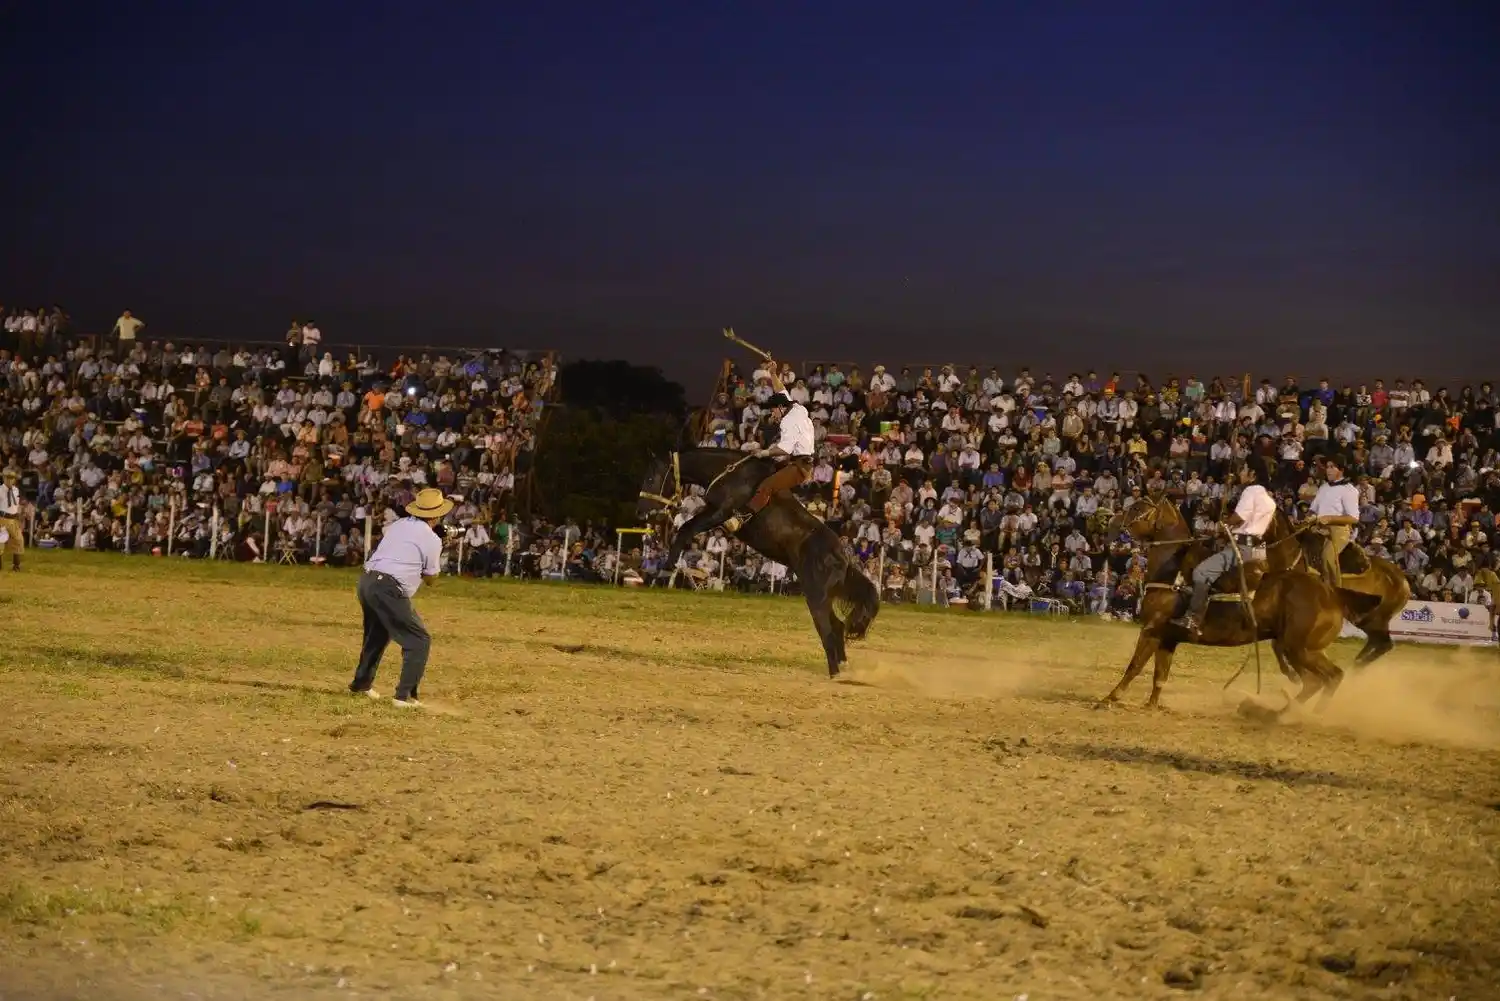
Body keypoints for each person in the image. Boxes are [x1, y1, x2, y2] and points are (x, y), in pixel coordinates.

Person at [348, 488, 453, 708]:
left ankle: (362, 684)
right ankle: (403, 697)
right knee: (418, 640)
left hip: (367, 581)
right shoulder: (432, 539)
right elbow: (431, 579)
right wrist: (439, 548)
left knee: (376, 634)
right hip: (388, 587)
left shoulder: (398, 525)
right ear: (437, 515)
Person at [1173, 457, 1276, 638]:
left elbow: (1239, 518)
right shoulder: (1269, 498)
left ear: (1253, 474)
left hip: (1241, 548)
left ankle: (1193, 618)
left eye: (1244, 469)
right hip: (1259, 551)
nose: (1240, 473)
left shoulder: (1251, 491)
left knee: (1201, 573)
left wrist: (1221, 526)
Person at [724, 359, 815, 532]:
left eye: (773, 409)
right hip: (797, 461)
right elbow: (781, 389)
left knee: (766, 485)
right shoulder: (797, 408)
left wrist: (763, 453)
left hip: (800, 467)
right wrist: (773, 373)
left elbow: (783, 450)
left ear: (781, 408)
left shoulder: (788, 421)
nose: (772, 412)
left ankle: (742, 518)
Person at [1307, 455, 1362, 587]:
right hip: (1318, 527)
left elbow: (1353, 518)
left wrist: (1329, 518)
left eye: (1332, 467)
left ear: (1341, 470)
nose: (1328, 470)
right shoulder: (1323, 487)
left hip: (1338, 531)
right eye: (1327, 467)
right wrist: (1307, 517)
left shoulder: (1349, 490)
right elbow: (1313, 509)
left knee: (1327, 557)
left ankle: (1335, 591)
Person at [0, 469, 22, 571]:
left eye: (12, 478)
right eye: (7, 478)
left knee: (18, 540)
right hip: (2, 518)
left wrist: (18, 515)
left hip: (13, 519)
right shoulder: (0, 490)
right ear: (3, 478)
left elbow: (16, 504)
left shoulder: (16, 490)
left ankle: (16, 565)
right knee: (1, 542)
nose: (9, 480)